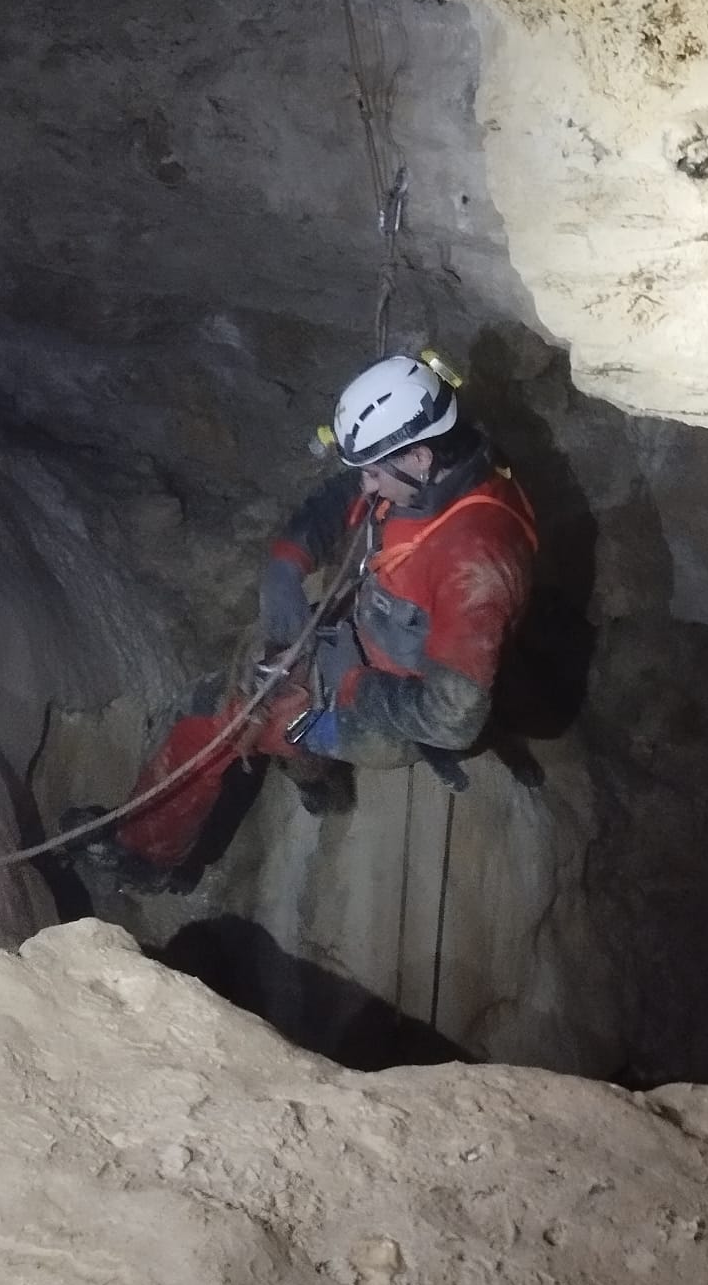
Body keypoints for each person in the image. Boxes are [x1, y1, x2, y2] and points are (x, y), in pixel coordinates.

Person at [92, 353, 537, 886]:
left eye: (374, 473)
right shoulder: (445, 463)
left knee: (221, 713)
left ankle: (148, 857)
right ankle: (314, 775)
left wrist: (351, 689)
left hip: (391, 711)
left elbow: (452, 719)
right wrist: (286, 566)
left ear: (420, 456)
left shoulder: (474, 561)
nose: (366, 486)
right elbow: (340, 497)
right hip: (366, 637)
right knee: (268, 663)